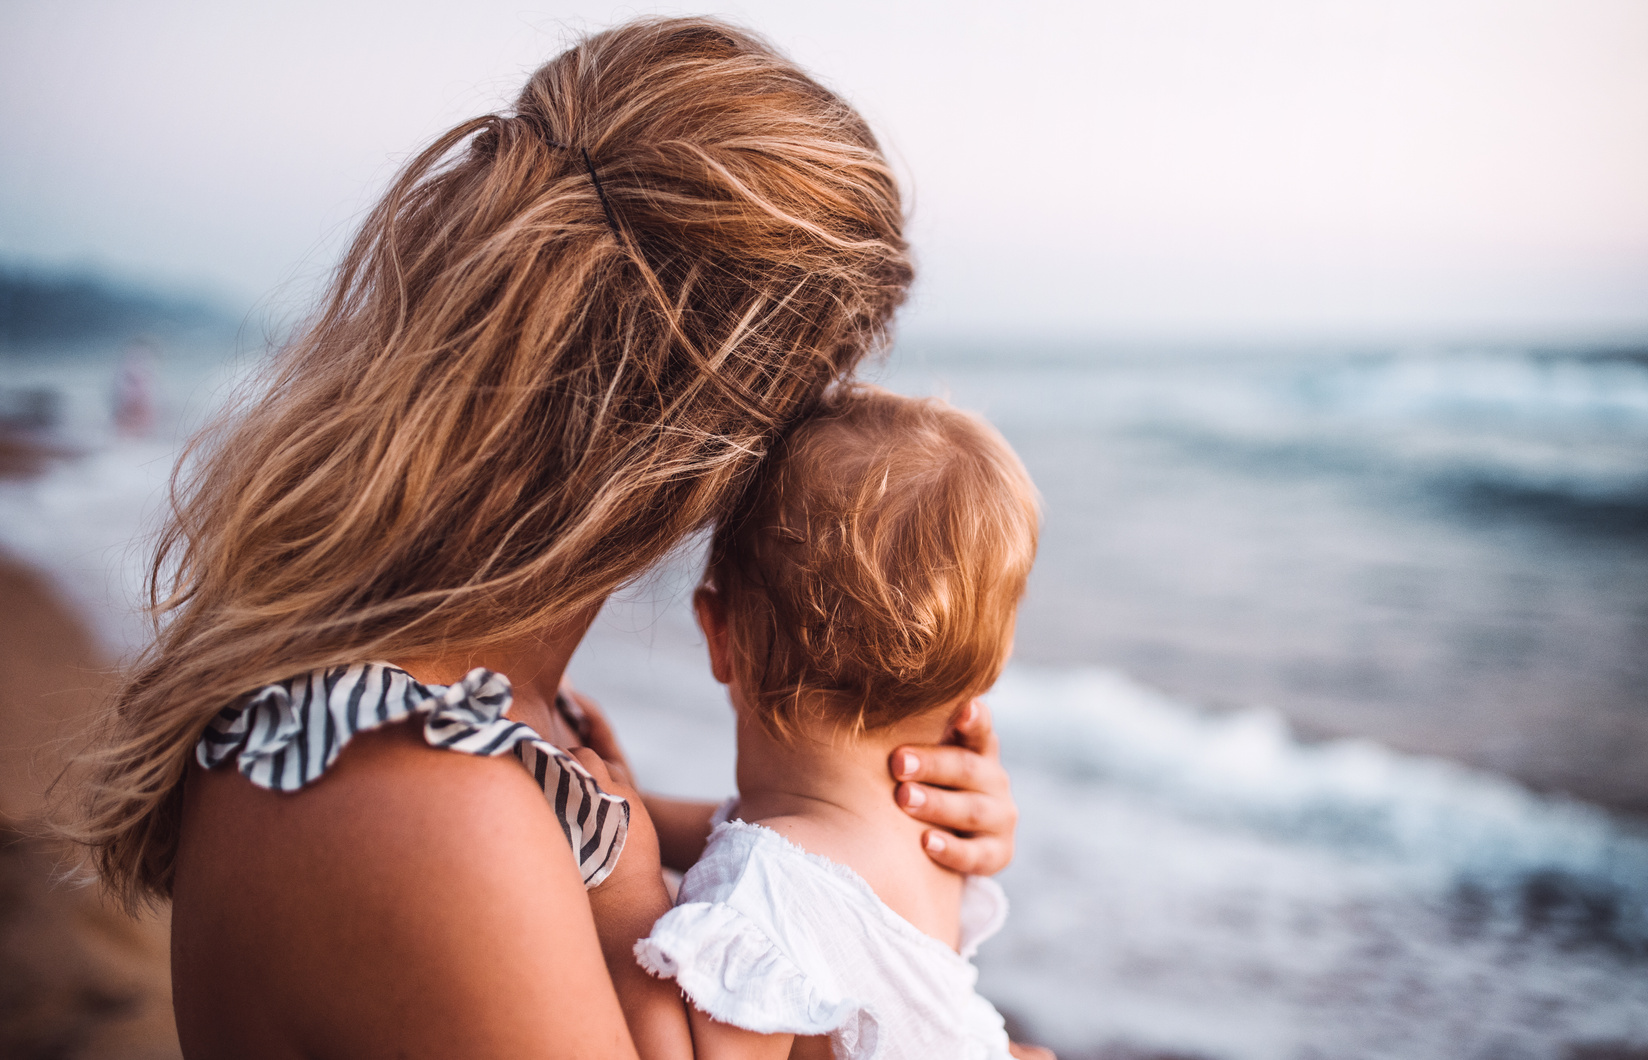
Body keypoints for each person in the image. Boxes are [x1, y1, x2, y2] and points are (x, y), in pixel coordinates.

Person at [63, 18, 1022, 1059]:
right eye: (808, 404)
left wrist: (873, 844)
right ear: (706, 423)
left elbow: (583, 858)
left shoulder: (460, 719)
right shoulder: (429, 808)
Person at [618, 386, 1051, 1059]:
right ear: (983, 671)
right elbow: (759, 841)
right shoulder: (923, 829)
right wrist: (627, 813)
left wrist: (621, 887)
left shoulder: (758, 896)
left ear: (719, 633)